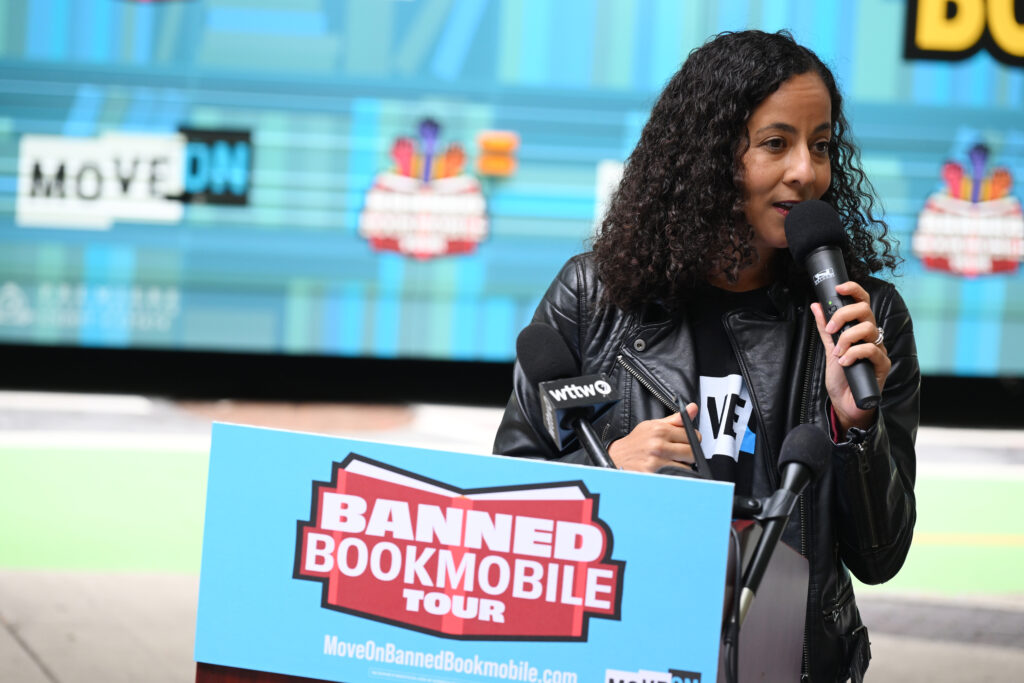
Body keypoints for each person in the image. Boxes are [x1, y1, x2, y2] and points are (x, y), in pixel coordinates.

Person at [492, 30, 918, 682]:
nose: (807, 170)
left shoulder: (867, 319)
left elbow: (880, 555)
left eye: (822, 145)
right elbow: (504, 508)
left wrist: (856, 426)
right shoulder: (590, 296)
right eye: (776, 143)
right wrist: (602, 474)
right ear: (711, 155)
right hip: (621, 651)